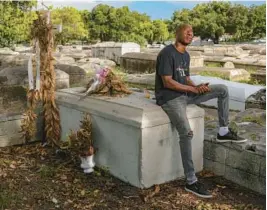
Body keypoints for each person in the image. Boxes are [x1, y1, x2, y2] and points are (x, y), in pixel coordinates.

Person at [155, 24, 247, 198]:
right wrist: (192, 90)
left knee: (222, 89)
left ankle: (223, 130)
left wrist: (197, 87)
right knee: (186, 133)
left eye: (192, 32)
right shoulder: (167, 53)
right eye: (186, 31)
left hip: (186, 93)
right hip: (170, 99)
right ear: (177, 33)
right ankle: (191, 181)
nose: (190, 34)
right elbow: (167, 82)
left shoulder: (186, 55)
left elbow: (186, 78)